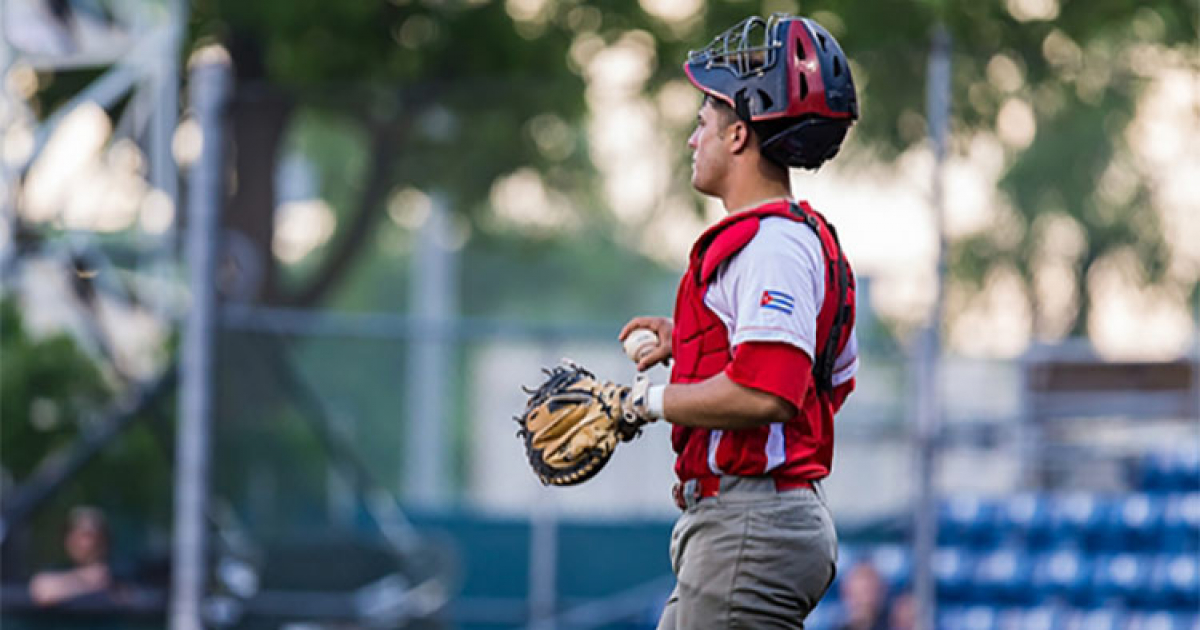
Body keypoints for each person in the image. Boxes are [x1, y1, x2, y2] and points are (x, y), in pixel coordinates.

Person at [618, 13, 861, 629]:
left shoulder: (772, 245)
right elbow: (812, 376)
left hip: (752, 525)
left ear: (738, 138)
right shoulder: (790, 239)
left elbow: (768, 390)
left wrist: (644, 403)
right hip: (746, 524)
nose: (691, 140)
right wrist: (693, 348)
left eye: (702, 124)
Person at [28, 506, 118, 606]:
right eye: (75, 535)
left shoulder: (120, 572)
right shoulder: (59, 569)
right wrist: (84, 579)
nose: (78, 542)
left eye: (88, 536)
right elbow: (43, 592)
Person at [835, 561, 890, 630]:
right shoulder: (838, 626)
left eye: (869, 591)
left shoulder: (896, 622)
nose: (865, 600)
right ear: (846, 591)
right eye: (862, 592)